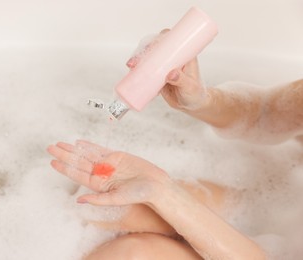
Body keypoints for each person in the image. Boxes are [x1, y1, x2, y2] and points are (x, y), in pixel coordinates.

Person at [47, 30, 303, 259]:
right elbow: (264, 113)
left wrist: (163, 193)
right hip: (280, 203)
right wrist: (199, 99)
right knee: (105, 205)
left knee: (130, 254)